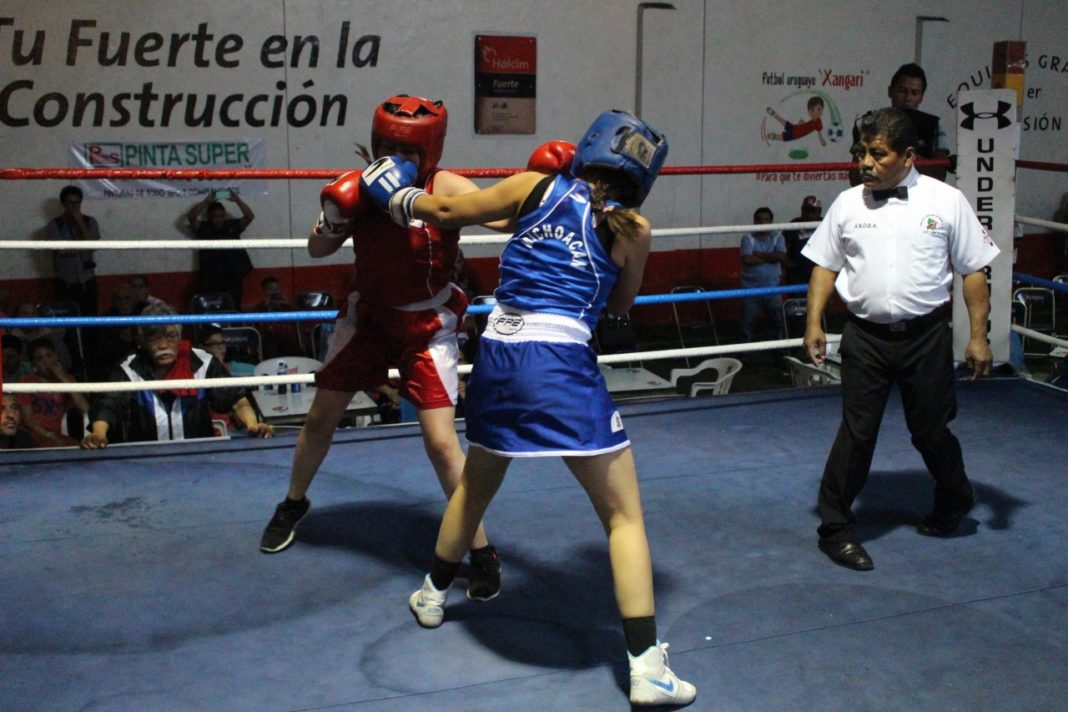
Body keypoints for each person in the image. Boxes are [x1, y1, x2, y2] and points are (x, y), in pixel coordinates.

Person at [362, 109, 696, 706]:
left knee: (475, 486)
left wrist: (395, 198)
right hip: (560, 361)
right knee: (623, 518)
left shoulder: (535, 186)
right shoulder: (634, 229)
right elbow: (620, 304)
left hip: (499, 354)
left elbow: (442, 211)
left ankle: (433, 596)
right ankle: (647, 669)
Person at [257, 94, 503, 604]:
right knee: (320, 419)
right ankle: (293, 503)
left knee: (441, 444)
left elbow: (501, 219)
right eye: (385, 144)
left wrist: (548, 195)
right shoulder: (360, 186)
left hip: (426, 323)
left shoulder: (446, 186)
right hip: (366, 317)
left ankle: (481, 550)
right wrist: (333, 218)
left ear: (430, 148)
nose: (393, 153)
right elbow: (317, 248)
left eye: (405, 146)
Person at [801, 108, 999, 572]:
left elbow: (972, 271)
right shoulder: (848, 204)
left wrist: (979, 337)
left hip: (926, 337)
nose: (864, 162)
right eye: (860, 152)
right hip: (864, 338)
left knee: (931, 430)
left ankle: (956, 497)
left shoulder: (947, 201)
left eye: (877, 153)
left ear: (908, 156)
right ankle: (834, 529)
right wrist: (814, 323)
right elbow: (824, 266)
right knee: (857, 433)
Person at [81, 304, 273, 448]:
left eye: (170, 336)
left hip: (200, 456)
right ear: (142, 342)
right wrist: (98, 434)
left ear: (180, 337)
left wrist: (253, 424)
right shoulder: (130, 368)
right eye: (155, 338)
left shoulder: (202, 362)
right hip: (146, 460)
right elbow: (108, 404)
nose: (163, 345)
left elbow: (236, 399)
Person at [851, 63, 949, 184]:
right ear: (890, 91)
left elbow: (940, 174)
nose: (908, 98)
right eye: (902, 91)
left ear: (922, 96)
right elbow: (855, 177)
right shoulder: (871, 123)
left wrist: (914, 164)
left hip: (923, 196)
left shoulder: (933, 125)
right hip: (877, 195)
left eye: (914, 93)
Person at [187, 191, 256, 309]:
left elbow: (250, 216)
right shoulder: (204, 228)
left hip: (232, 276)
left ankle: (235, 327)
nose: (217, 219)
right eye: (214, 216)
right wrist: (207, 201)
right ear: (209, 217)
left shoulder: (232, 226)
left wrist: (238, 201)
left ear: (224, 216)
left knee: (235, 308)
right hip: (210, 277)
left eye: (221, 216)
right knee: (212, 310)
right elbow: (191, 217)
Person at [17, 337, 89, 447]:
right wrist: (48, 435)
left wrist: (63, 379)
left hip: (55, 435)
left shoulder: (68, 379)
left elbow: (84, 408)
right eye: (39, 359)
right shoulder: (26, 381)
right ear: (33, 364)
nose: (46, 362)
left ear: (56, 356)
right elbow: (28, 420)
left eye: (49, 356)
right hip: (32, 434)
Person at [47, 185, 100, 317]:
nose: (74, 206)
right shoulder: (55, 224)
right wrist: (84, 247)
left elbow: (93, 245)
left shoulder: (90, 221)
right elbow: (61, 250)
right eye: (70, 202)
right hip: (65, 282)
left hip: (87, 280)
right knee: (66, 321)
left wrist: (80, 222)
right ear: (64, 204)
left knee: (90, 318)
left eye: (77, 202)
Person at [739, 206, 787, 343]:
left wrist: (758, 255)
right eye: (759, 220)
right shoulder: (747, 238)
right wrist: (772, 257)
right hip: (750, 289)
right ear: (754, 222)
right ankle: (745, 356)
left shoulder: (778, 237)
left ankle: (779, 354)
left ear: (771, 222)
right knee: (747, 324)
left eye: (766, 220)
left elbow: (781, 256)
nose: (762, 223)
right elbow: (747, 260)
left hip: (773, 287)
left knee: (777, 323)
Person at [784, 195, 823, 286]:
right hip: (798, 275)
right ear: (802, 210)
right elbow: (784, 249)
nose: (809, 214)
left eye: (812, 211)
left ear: (819, 211)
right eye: (806, 210)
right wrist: (792, 268)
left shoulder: (825, 224)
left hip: (820, 272)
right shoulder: (794, 225)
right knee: (797, 300)